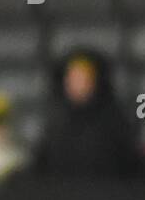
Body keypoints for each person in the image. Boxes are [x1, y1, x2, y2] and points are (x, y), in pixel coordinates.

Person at [34, 50, 139, 178]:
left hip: (106, 193)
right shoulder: (54, 123)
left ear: (95, 82)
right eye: (72, 79)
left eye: (83, 79)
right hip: (62, 194)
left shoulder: (115, 122)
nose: (77, 85)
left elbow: (129, 165)